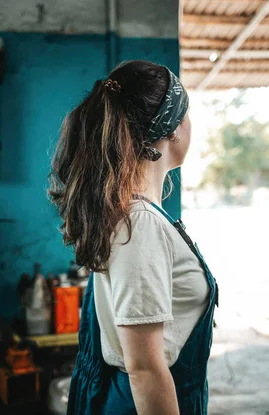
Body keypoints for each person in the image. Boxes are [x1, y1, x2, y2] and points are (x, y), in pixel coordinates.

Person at [48, 60, 218, 415]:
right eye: (186, 114)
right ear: (172, 129)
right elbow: (145, 369)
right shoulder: (140, 225)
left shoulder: (138, 215)